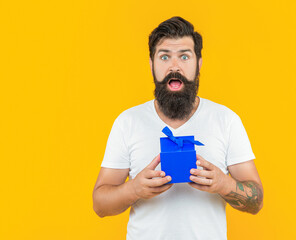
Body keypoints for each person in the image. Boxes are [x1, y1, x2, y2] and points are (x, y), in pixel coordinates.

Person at [92, 16, 263, 240]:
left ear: (198, 63)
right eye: (164, 57)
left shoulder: (226, 120)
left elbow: (256, 201)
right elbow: (100, 205)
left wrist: (224, 183)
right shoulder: (128, 122)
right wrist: (133, 189)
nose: (175, 66)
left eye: (184, 56)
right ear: (152, 64)